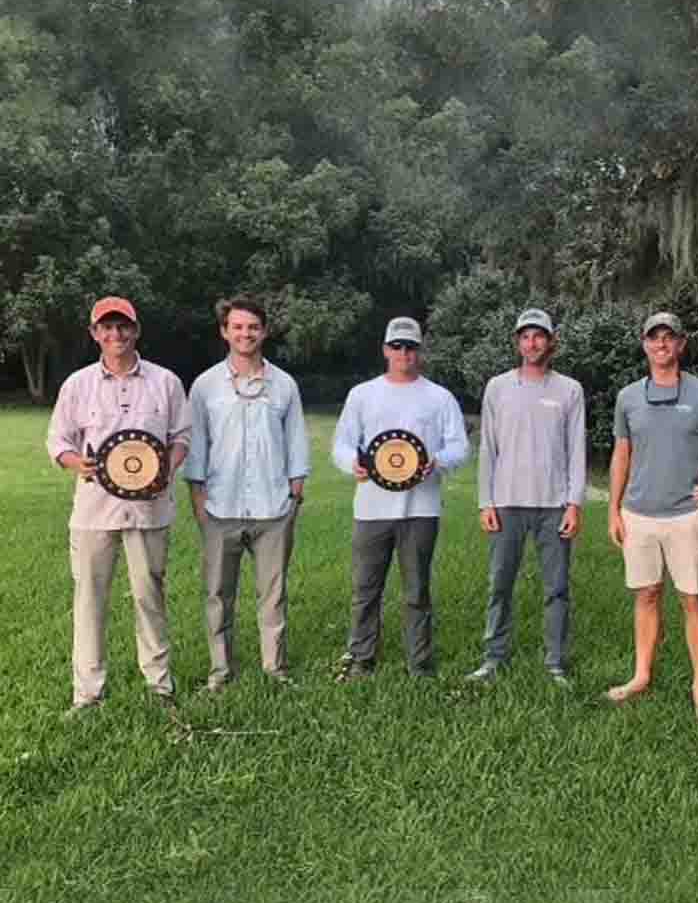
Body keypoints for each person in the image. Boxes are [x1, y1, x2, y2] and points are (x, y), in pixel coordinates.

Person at [47, 296, 191, 714]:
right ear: (94, 334)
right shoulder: (77, 384)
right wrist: (78, 462)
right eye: (106, 327)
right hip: (94, 510)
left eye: (123, 326)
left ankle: (159, 685)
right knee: (90, 600)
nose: (116, 334)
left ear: (136, 329)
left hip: (149, 510)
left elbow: (181, 436)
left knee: (150, 596)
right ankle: (88, 693)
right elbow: (58, 440)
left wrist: (167, 466)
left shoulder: (165, 381)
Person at [331, 316, 469, 679]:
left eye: (410, 346)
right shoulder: (362, 394)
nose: (403, 353)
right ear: (385, 350)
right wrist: (353, 464)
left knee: (417, 591)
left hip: (420, 510)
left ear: (419, 351)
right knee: (365, 589)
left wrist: (438, 462)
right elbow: (342, 443)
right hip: (371, 509)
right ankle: (362, 658)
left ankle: (420, 663)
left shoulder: (439, 397)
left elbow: (460, 446)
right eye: (397, 346)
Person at [184, 297, 310, 691]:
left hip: (273, 507)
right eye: (237, 327)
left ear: (264, 331)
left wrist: (295, 491)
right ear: (225, 332)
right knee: (218, 594)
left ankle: (275, 668)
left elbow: (296, 441)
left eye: (253, 326)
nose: (245, 333)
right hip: (221, 505)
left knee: (272, 594)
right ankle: (220, 672)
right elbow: (197, 444)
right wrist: (198, 496)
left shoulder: (284, 384)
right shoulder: (205, 385)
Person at [607, 312, 698, 719]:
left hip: (689, 515)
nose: (661, 345)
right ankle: (641, 675)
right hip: (639, 514)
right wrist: (614, 509)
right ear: (644, 344)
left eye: (669, 338)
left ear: (681, 344)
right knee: (646, 594)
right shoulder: (627, 397)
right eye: (653, 338)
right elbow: (622, 454)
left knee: (692, 599)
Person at [466, 309, 586, 686]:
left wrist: (574, 503)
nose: (532, 343)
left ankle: (555, 662)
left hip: (553, 505)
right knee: (499, 584)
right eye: (525, 336)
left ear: (551, 342)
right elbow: (488, 447)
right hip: (506, 503)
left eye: (539, 336)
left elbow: (576, 449)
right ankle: (494, 657)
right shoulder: (498, 387)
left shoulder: (569, 389)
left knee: (557, 588)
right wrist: (486, 501)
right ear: (517, 342)